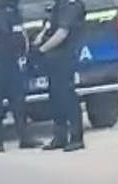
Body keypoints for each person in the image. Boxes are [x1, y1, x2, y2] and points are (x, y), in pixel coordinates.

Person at [0, 0, 40, 153]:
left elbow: (21, 36)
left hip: (14, 64)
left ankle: (24, 138)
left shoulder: (16, 14)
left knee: (19, 103)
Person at [34, 0, 87, 152]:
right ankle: (60, 137)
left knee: (67, 97)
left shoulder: (72, 5)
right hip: (54, 58)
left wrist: (42, 49)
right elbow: (50, 26)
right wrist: (40, 38)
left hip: (65, 57)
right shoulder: (60, 3)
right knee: (55, 97)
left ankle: (76, 138)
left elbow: (62, 33)